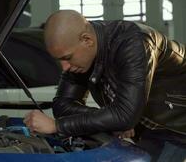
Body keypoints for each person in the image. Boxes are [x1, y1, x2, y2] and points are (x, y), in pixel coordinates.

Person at [23, 10, 186, 161]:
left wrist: (56, 126)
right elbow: (62, 105)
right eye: (60, 60)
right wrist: (112, 119)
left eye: (68, 57)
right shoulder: (83, 51)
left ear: (87, 40)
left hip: (174, 128)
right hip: (144, 127)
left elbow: (125, 116)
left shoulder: (134, 43)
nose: (65, 67)